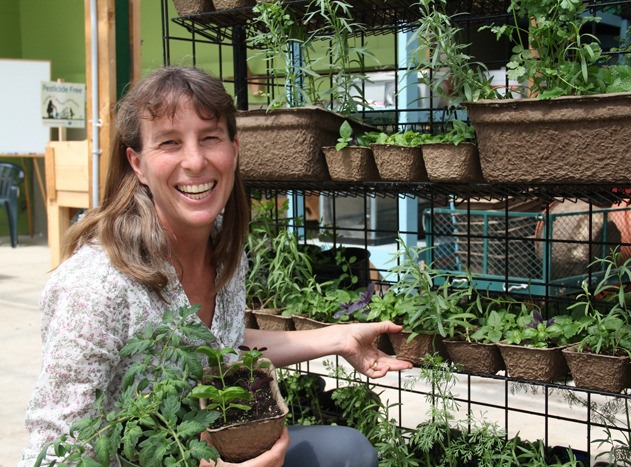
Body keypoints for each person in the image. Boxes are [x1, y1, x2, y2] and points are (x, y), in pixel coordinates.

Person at [20, 66, 413, 467]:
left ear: (234, 149)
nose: (195, 161)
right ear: (137, 163)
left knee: (348, 452)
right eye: (170, 142)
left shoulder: (224, 246)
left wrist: (339, 337)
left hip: (214, 452)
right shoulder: (94, 286)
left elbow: (219, 345)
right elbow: (53, 454)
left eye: (210, 138)